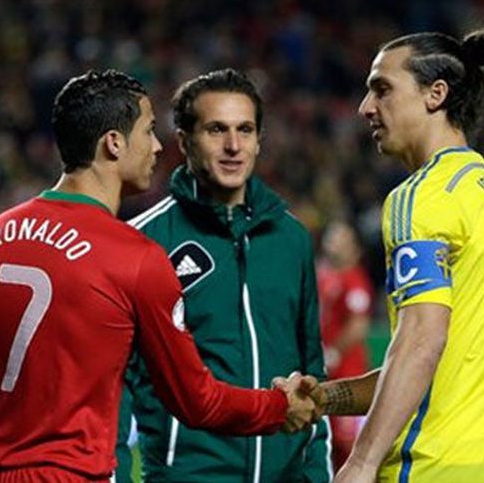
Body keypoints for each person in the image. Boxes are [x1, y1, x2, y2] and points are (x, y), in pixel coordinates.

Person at [0, 69, 316, 483]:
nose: (157, 147)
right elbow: (196, 401)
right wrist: (278, 407)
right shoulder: (137, 258)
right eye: (148, 131)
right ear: (114, 143)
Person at [283, 29, 484, 482]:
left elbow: (421, 342)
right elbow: (431, 368)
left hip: (438, 466)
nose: (365, 107)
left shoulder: (423, 196)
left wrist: (362, 462)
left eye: (382, 89)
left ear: (435, 94)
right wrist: (325, 398)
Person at [117, 68, 331, 483]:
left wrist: (317, 475)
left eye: (244, 130)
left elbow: (312, 372)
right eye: (216, 130)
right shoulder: (142, 242)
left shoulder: (292, 239)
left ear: (259, 140)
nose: (233, 146)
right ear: (184, 141)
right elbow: (118, 385)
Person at [316, 220, 374, 471]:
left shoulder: (355, 280)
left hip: (348, 375)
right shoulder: (324, 276)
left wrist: (334, 352)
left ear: (354, 248)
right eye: (331, 237)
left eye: (341, 238)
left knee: (346, 442)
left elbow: (359, 325)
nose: (334, 243)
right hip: (326, 373)